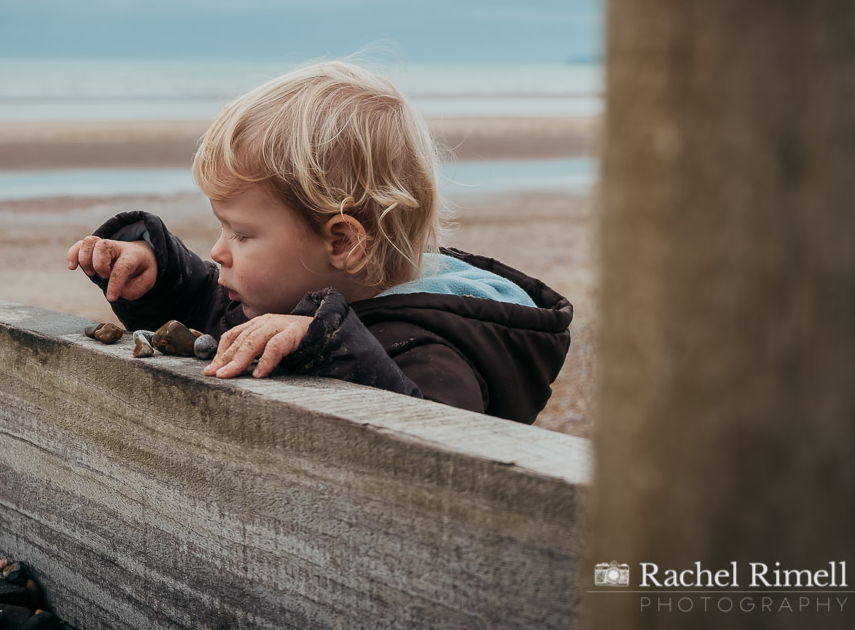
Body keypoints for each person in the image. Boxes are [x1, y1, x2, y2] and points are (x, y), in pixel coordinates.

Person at [65, 61, 572, 422]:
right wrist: (155, 271)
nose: (219, 252)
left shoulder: (431, 344)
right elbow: (211, 310)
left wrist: (326, 342)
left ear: (343, 242)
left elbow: (437, 438)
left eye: (241, 234)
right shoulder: (276, 293)